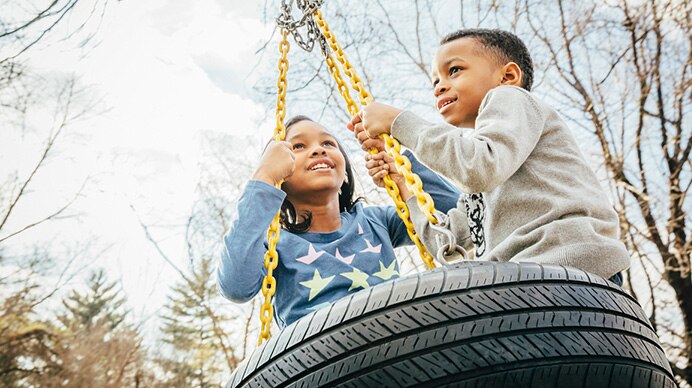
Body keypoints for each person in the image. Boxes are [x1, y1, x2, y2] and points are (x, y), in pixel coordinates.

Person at [349, 28, 629, 284]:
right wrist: (402, 185)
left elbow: (478, 167)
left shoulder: (510, 99)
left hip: (570, 267)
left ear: (507, 77)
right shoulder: (484, 179)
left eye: (454, 70)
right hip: (525, 283)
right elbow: (449, 247)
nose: (439, 86)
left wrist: (399, 122)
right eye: (435, 80)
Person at [217, 115, 460, 328]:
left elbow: (455, 216)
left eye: (328, 143)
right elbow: (235, 286)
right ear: (281, 177)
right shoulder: (277, 247)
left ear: (344, 174)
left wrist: (404, 173)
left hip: (395, 340)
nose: (318, 150)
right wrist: (264, 177)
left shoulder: (376, 222)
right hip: (318, 362)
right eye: (298, 146)